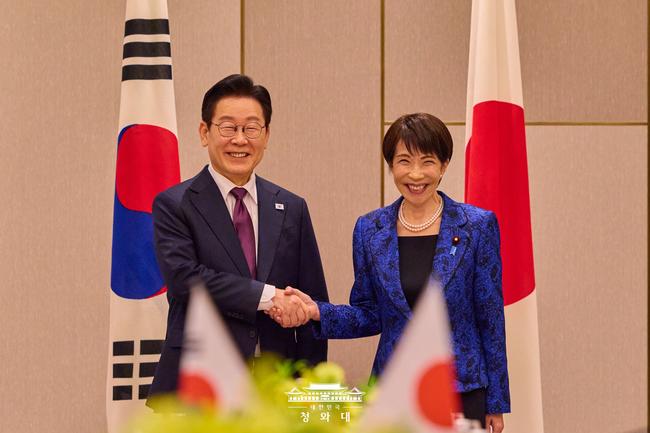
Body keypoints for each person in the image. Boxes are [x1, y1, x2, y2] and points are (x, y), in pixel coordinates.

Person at [270, 113, 510, 431]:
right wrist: (317, 311)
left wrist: (495, 403)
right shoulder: (370, 229)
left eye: (427, 161)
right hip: (394, 388)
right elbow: (369, 314)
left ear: (444, 165)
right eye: (404, 161)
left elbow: (490, 319)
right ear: (391, 165)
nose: (415, 174)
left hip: (460, 390)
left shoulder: (477, 226)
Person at [147, 74, 329, 403]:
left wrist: (313, 390)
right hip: (199, 383)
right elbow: (185, 280)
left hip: (277, 384)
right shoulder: (175, 204)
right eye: (228, 127)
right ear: (204, 133)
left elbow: (310, 300)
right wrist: (269, 296)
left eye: (251, 128)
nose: (240, 140)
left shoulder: (292, 207)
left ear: (266, 135)